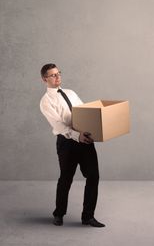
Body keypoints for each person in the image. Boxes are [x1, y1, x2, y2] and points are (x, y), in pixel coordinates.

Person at [39, 63, 105, 227]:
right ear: (44, 79)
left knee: (93, 176)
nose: (57, 77)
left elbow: (84, 113)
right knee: (66, 178)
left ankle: (88, 217)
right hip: (67, 142)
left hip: (85, 139)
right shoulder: (46, 101)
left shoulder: (71, 93)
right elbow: (59, 126)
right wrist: (77, 135)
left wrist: (94, 129)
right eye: (53, 75)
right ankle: (59, 214)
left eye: (58, 73)